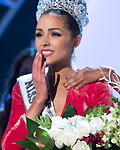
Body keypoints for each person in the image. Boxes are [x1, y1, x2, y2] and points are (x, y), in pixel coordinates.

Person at [2, 0, 114, 149]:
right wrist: (39, 100)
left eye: (55, 34)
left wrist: (110, 75)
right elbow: (10, 147)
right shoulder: (24, 86)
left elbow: (110, 141)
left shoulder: (94, 89)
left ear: (76, 41)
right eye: (39, 34)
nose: (44, 42)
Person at [0, 47, 37, 148]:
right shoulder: (2, 119)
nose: (29, 79)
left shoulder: (52, 117)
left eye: (36, 73)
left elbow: (47, 139)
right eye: (25, 73)